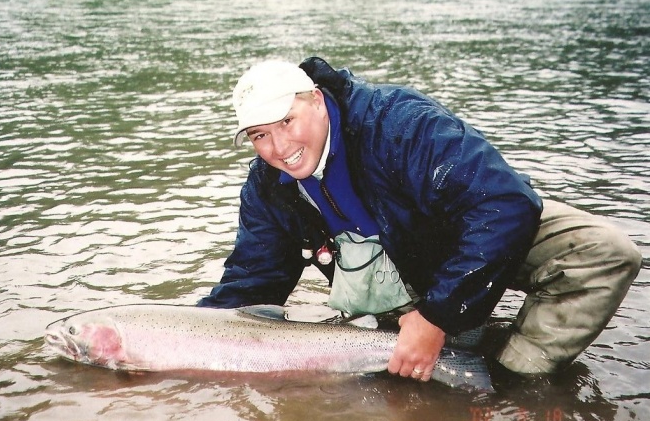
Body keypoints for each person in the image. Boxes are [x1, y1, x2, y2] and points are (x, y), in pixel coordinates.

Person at [197, 57, 642, 382]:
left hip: (460, 238)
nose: (278, 147)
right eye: (259, 135)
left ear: (315, 99)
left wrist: (436, 317)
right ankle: (448, 357)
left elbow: (505, 205)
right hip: (398, 275)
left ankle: (512, 379)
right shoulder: (268, 185)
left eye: (287, 121)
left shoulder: (397, 122)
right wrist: (176, 340)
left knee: (604, 252)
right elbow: (253, 281)